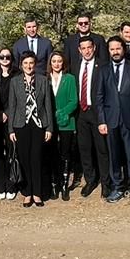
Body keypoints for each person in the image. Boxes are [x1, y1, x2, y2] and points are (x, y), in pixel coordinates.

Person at [6, 50, 55, 207]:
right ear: (21, 65)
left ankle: (37, 193)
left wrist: (49, 128)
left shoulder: (43, 80)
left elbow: (48, 105)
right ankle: (27, 192)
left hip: (39, 124)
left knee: (37, 158)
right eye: (25, 63)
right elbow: (12, 106)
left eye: (31, 63)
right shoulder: (15, 81)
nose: (28, 66)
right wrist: (11, 130)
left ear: (35, 64)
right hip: (21, 125)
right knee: (24, 159)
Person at [102, 38, 130, 204]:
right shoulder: (104, 70)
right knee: (114, 156)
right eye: (112, 49)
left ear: (123, 49)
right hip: (111, 119)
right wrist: (101, 121)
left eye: (118, 48)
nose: (115, 52)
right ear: (109, 51)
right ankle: (117, 188)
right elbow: (99, 97)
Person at [74, 37, 112, 198]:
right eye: (83, 48)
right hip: (81, 113)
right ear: (79, 50)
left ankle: (106, 182)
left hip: (97, 112)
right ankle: (90, 180)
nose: (87, 51)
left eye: (89, 47)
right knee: (84, 149)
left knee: (102, 149)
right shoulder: (76, 66)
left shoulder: (103, 65)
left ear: (94, 48)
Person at [47, 50, 78, 201]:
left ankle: (65, 184)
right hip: (49, 123)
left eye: (59, 61)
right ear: (50, 63)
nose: (57, 64)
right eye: (54, 61)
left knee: (65, 153)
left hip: (66, 122)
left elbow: (74, 101)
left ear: (63, 63)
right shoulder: (45, 79)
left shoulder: (70, 78)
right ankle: (54, 184)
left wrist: (61, 113)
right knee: (52, 153)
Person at [0, 48, 16, 200]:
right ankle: (0, 184)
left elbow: (18, 96)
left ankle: (11, 184)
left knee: (12, 152)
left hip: (12, 118)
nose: (5, 59)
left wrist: (7, 112)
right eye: (2, 56)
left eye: (8, 56)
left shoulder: (17, 74)